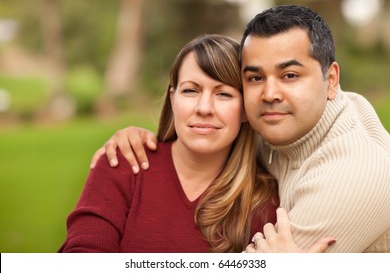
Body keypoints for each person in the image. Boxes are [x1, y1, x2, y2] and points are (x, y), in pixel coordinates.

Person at [92, 5, 390, 253]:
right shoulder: (275, 126)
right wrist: (134, 136)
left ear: (332, 79)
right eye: (256, 78)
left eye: (289, 75)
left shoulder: (354, 176)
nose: (270, 93)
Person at [60, 34, 332, 253]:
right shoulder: (124, 162)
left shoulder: (264, 203)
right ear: (173, 97)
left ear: (246, 110)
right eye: (190, 90)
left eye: (224, 94)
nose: (204, 108)